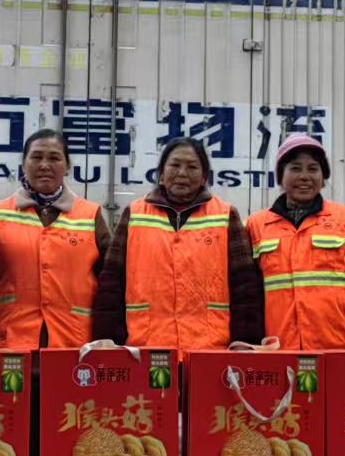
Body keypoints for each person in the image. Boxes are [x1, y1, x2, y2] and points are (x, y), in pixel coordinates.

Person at [92, 138, 263, 353]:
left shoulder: (225, 215)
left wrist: (245, 342)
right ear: (161, 173)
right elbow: (111, 282)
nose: (182, 173)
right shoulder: (134, 214)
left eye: (192, 167)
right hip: (144, 348)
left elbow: (244, 286)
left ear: (204, 177)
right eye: (175, 165)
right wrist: (107, 340)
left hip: (210, 349)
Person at [244, 134, 345, 350]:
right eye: (295, 169)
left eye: (313, 169)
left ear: (323, 176)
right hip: (277, 348)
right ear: (280, 177)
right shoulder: (255, 225)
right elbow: (246, 292)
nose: (304, 176)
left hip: (337, 347)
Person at [0, 129, 108, 351]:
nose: (44, 165)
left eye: (54, 158)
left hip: (74, 343)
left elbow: (109, 281)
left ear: (67, 166)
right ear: (23, 164)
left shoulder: (91, 215)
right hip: (10, 340)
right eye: (36, 157)